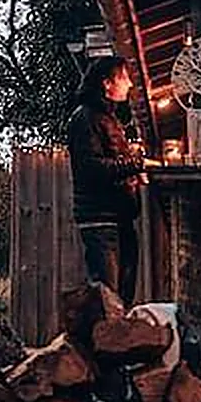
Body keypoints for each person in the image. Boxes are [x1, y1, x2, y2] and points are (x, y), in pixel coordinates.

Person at [67, 56, 146, 305]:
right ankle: (102, 342)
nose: (129, 84)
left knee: (121, 297)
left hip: (118, 218)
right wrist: (135, 164)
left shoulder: (106, 118)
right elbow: (92, 169)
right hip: (101, 220)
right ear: (106, 84)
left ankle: (120, 341)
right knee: (107, 300)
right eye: (123, 78)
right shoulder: (86, 118)